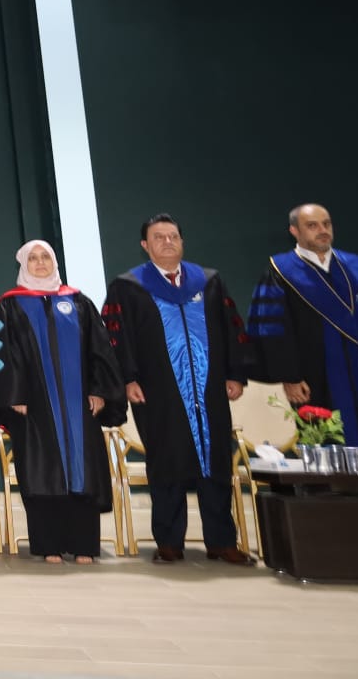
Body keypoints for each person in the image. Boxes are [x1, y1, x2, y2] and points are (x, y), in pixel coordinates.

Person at [103, 214, 253, 565]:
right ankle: (169, 541)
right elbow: (116, 336)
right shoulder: (128, 286)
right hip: (157, 390)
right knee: (165, 461)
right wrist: (128, 378)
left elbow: (232, 328)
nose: (167, 242)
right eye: (159, 237)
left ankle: (222, 541)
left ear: (182, 241)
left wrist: (235, 374)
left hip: (210, 387)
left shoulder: (209, 281)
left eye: (173, 236)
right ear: (145, 245)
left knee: (216, 461)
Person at [0, 240, 123, 564]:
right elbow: (2, 354)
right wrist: (14, 395)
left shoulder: (78, 301)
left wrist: (99, 390)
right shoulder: (10, 305)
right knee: (42, 472)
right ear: (23, 264)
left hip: (79, 406)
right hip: (34, 408)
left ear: (55, 262)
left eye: (45, 256)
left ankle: (84, 545)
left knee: (83, 470)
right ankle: (49, 545)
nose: (40, 262)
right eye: (33, 258)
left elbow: (100, 350)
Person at [247, 204, 358, 449]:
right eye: (312, 225)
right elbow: (271, 331)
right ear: (294, 230)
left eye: (326, 224)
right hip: (315, 377)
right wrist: (290, 377)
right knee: (329, 446)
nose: (322, 230)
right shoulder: (281, 271)